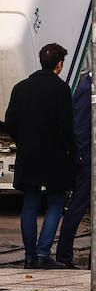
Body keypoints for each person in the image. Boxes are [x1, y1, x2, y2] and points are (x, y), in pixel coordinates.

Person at [4, 43, 76, 270]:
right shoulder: (61, 89)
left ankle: (29, 256)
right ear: (59, 64)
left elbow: (10, 123)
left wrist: (24, 141)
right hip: (55, 156)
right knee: (55, 202)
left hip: (29, 154)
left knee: (30, 204)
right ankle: (43, 254)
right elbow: (66, 127)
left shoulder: (20, 87)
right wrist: (71, 151)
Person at [54, 70, 93, 269]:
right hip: (88, 158)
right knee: (78, 206)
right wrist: (83, 156)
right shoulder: (87, 89)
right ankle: (64, 254)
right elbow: (80, 126)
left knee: (92, 207)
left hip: (91, 157)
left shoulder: (92, 86)